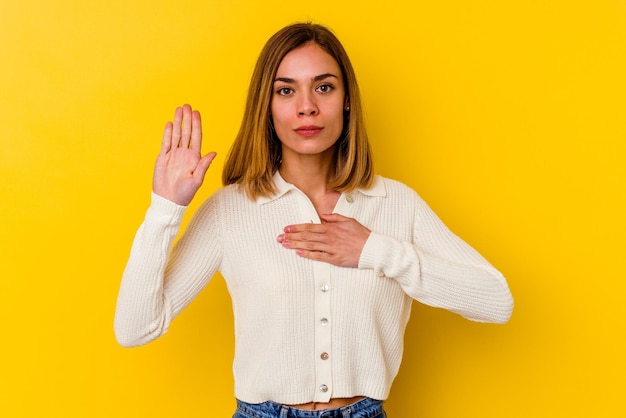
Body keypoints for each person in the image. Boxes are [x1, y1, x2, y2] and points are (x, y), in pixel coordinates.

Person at [114, 22, 513, 418]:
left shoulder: (396, 203)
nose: (307, 106)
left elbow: (496, 302)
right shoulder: (230, 210)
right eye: (286, 90)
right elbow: (135, 328)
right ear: (266, 107)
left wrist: (376, 251)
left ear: (346, 101)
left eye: (324, 87)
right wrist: (165, 208)